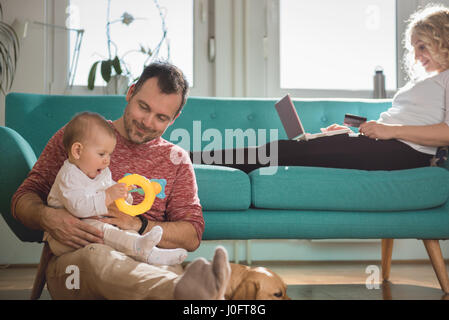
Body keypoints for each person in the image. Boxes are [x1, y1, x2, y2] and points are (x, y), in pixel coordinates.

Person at [12, 61, 231, 299]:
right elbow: (22, 198)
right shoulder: (82, 136)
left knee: (160, 270)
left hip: (150, 260)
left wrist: (139, 225)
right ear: (130, 92)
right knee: (100, 258)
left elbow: (192, 234)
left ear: (174, 118)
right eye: (143, 107)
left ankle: (185, 293)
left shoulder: (176, 160)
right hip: (79, 263)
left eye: (160, 117)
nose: (147, 122)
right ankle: (186, 293)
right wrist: (47, 217)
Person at [191, 4, 449, 173]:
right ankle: (190, 160)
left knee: (282, 150)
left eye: (423, 46)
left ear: (442, 40)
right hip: (386, 144)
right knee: (289, 148)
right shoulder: (429, 82)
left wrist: (387, 130)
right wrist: (354, 134)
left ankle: (188, 160)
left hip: (402, 154)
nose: (416, 56)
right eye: (413, 48)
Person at [45, 111, 188, 266]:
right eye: (101, 154)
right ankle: (143, 250)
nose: (107, 161)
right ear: (77, 151)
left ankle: (153, 254)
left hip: (94, 224)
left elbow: (110, 188)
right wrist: (108, 196)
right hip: (69, 235)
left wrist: (124, 195)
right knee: (105, 231)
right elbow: (78, 208)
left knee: (124, 232)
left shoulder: (100, 170)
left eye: (109, 154)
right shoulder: (69, 176)